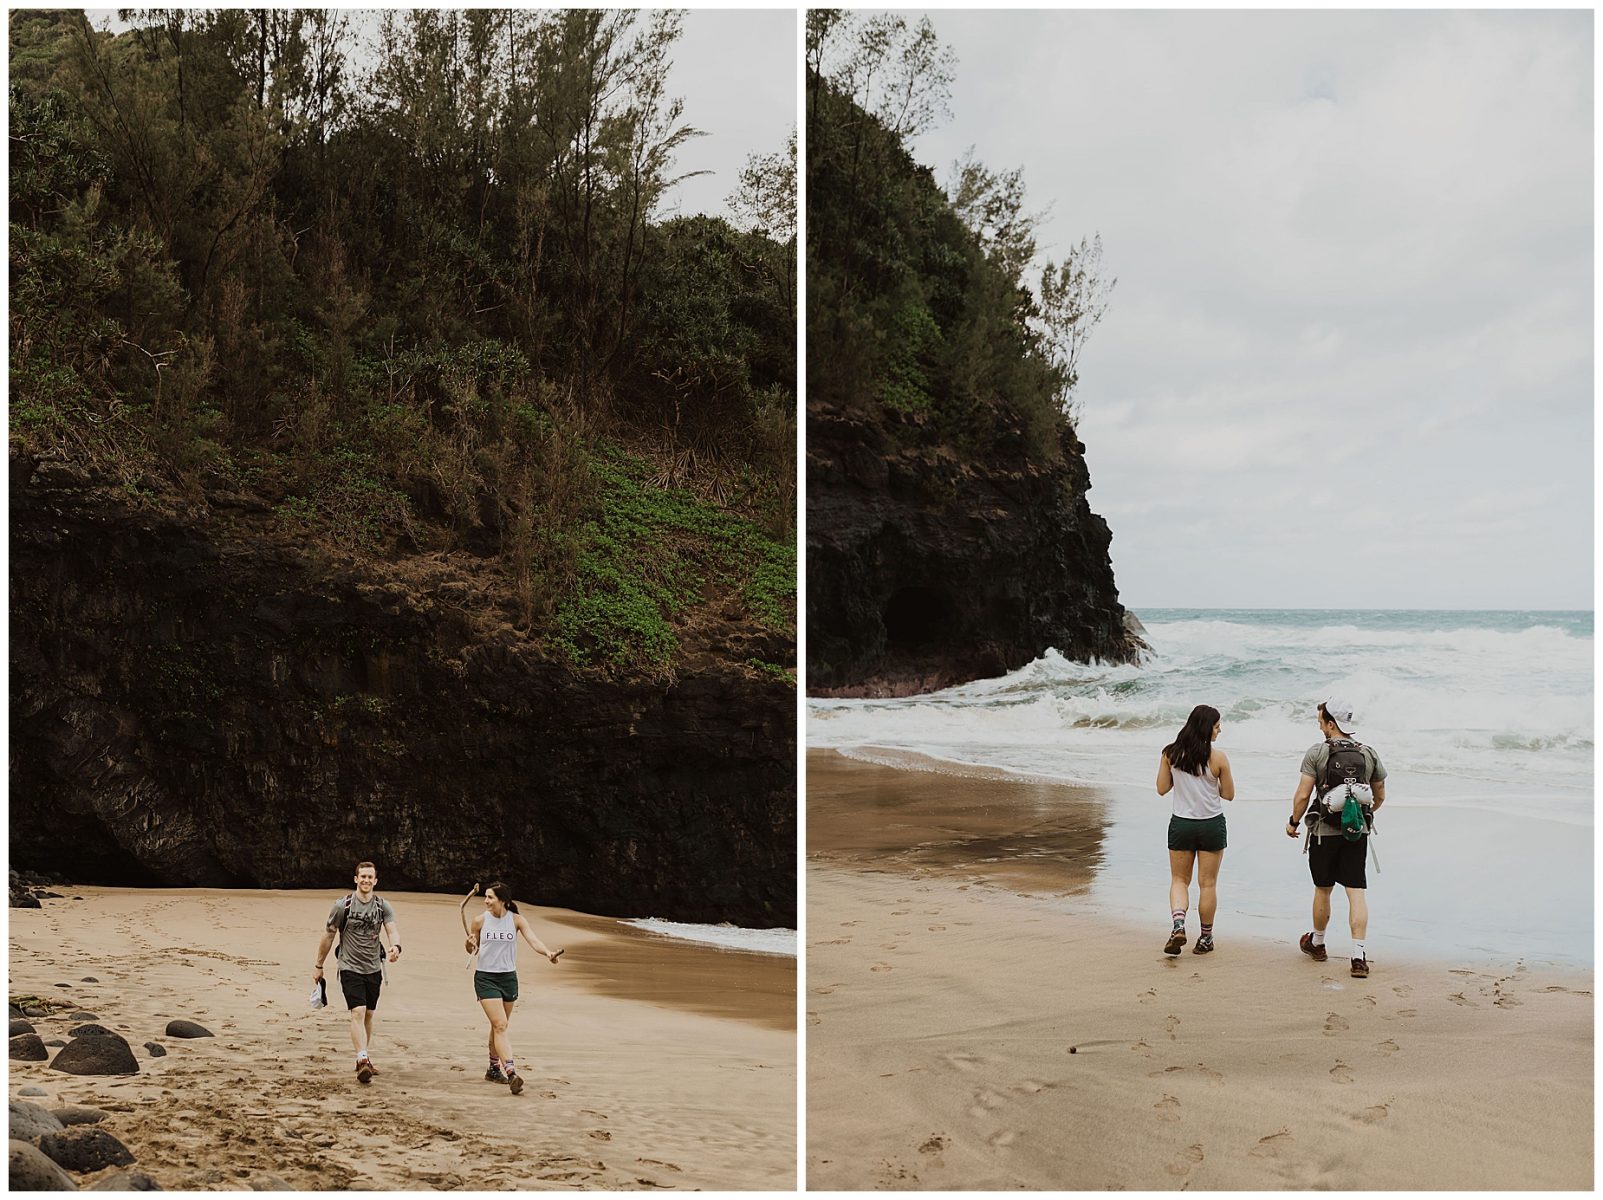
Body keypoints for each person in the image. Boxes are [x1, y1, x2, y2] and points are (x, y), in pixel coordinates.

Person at [1285, 698, 1387, 978]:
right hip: (1357, 833)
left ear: (1331, 724)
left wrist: (1294, 822)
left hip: (1323, 833)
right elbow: (1379, 796)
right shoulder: (1368, 753)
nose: (1320, 727)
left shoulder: (1317, 752)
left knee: (1323, 888)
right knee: (1356, 892)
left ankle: (1317, 944)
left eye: (1321, 722)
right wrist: (1358, 816)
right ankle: (1358, 955)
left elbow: (1303, 794)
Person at [464, 882, 563, 1095]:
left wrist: (547, 953)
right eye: (486, 897)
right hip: (486, 978)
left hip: (508, 978)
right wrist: (469, 943)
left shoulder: (516, 920)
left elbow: (533, 940)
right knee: (500, 1025)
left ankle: (492, 1068)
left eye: (490, 897)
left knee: (498, 1026)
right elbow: (472, 948)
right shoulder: (479, 921)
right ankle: (511, 1072)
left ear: (503, 900)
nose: (486, 901)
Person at [1156, 704, 1235, 955]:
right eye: (1217, 725)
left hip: (1182, 824)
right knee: (1208, 884)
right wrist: (1212, 787)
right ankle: (1205, 939)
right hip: (1211, 823)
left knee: (1179, 880)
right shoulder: (1219, 758)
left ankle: (1178, 925)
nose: (1220, 730)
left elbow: (1161, 788)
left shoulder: (1171, 754)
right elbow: (1229, 794)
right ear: (1206, 727)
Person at [313, 861, 401, 1084]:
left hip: (373, 967)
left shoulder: (382, 906)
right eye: (362, 876)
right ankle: (362, 1059)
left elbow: (392, 930)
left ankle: (365, 1056)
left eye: (370, 877)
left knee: (369, 1014)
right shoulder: (343, 905)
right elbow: (328, 935)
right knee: (358, 1011)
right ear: (355, 879)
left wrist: (396, 947)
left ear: (375, 881)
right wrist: (318, 965)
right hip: (349, 966)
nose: (366, 880)